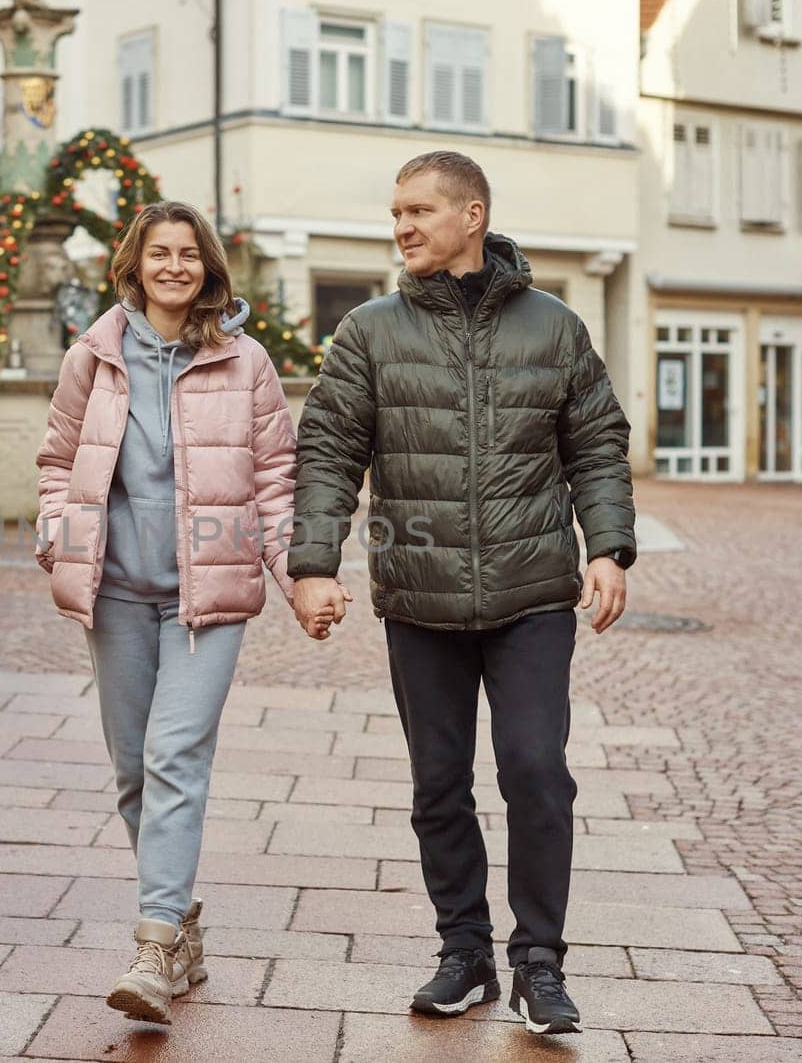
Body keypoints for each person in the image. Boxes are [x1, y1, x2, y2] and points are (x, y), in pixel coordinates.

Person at [288, 151, 636, 1036]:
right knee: (438, 785)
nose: (401, 226)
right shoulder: (369, 330)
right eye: (394, 211)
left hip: (531, 597)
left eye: (417, 210)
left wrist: (609, 548)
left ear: (471, 215)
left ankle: (539, 964)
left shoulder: (554, 327)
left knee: (535, 773)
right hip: (421, 600)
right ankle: (465, 954)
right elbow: (329, 451)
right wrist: (314, 563)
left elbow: (595, 443)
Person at [34, 200, 344, 1025]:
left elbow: (276, 481)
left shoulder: (246, 363)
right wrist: (55, 531)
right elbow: (58, 461)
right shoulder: (92, 358)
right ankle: (185, 926)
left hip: (208, 599)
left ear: (209, 267)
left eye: (189, 254)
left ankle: (154, 943)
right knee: (136, 772)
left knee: (174, 755)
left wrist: (299, 577)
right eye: (159, 253)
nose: (175, 267)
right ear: (133, 265)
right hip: (117, 595)